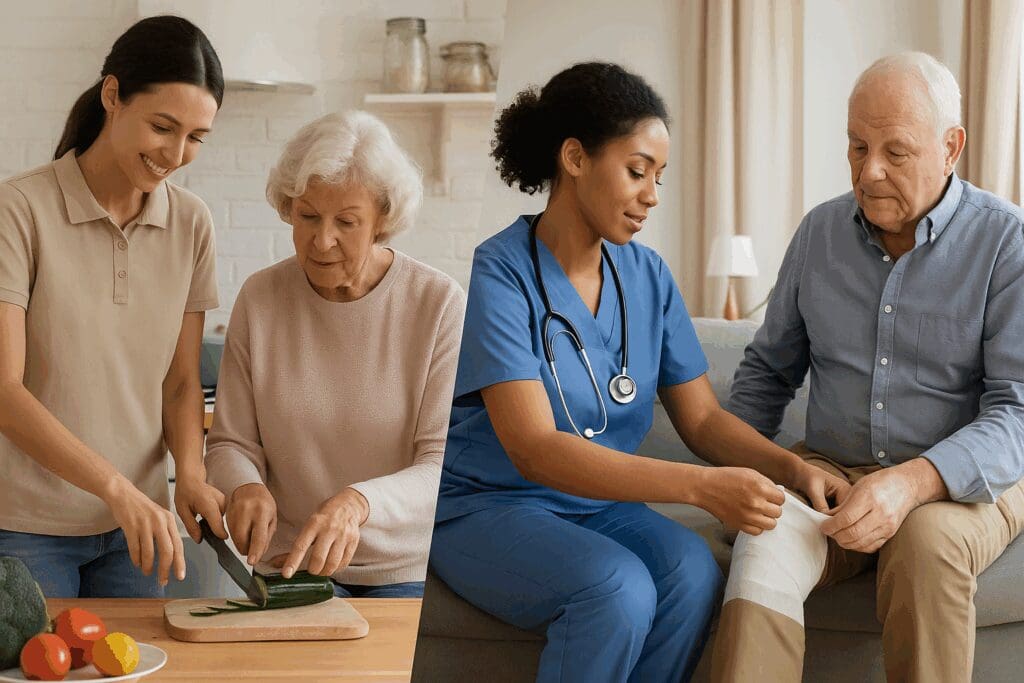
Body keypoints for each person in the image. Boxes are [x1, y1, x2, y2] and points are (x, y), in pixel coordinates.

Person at [427, 62, 851, 683]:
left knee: (693, 571)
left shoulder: (647, 275)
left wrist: (794, 469)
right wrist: (701, 489)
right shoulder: (500, 273)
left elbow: (702, 419)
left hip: (595, 505)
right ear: (574, 157)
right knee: (615, 590)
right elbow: (537, 450)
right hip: (488, 507)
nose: (652, 195)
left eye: (659, 177)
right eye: (636, 171)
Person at [710, 52, 1024, 683]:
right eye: (856, 146)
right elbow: (768, 372)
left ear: (951, 147)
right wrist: (731, 472)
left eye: (895, 152)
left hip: (960, 486)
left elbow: (1017, 410)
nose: (869, 170)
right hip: (830, 468)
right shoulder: (818, 233)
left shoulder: (1006, 242)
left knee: (925, 546)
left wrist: (911, 483)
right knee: (762, 548)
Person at [0, 16, 227, 598]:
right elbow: (5, 389)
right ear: (112, 96)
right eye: (162, 126)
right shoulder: (18, 211)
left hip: (139, 533)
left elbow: (180, 383)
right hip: (28, 529)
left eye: (197, 137)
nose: (176, 154)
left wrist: (192, 478)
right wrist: (115, 489)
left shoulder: (192, 223)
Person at [204, 111, 465, 598]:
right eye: (308, 217)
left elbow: (442, 464)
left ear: (382, 221)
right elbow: (229, 443)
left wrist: (356, 504)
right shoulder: (261, 298)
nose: (322, 240)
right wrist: (245, 487)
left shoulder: (437, 303)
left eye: (346, 222)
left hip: (403, 570)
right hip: (292, 567)